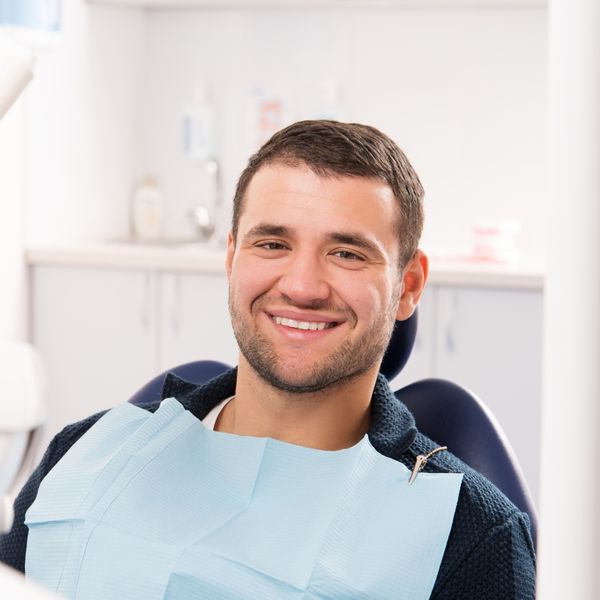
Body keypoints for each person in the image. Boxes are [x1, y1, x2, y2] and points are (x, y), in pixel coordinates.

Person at [0, 120, 535, 599]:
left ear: (407, 285)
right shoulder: (85, 450)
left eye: (346, 253)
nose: (301, 287)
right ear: (232, 258)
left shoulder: (472, 536)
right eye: (273, 244)